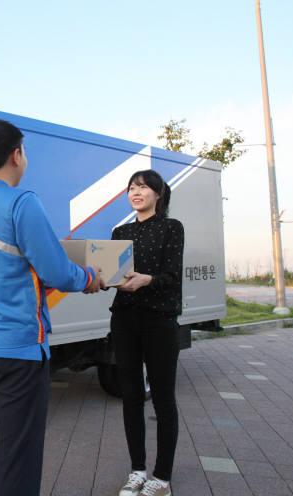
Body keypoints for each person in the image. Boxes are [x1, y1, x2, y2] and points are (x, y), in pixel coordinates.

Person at [0, 119, 104, 496]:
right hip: (18, 349)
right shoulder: (22, 202)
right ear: (16, 154)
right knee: (18, 456)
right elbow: (56, 271)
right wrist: (90, 277)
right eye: (25, 152)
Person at [110, 170, 184, 496]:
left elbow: (172, 276)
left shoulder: (172, 228)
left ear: (158, 193)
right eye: (131, 188)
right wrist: (97, 276)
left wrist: (147, 280)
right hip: (125, 319)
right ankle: (137, 470)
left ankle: (162, 478)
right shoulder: (120, 231)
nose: (135, 192)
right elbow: (113, 275)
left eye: (142, 187)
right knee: (131, 397)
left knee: (164, 399)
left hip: (160, 321)